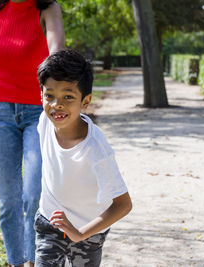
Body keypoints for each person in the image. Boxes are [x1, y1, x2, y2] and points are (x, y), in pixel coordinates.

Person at [0, 0, 65, 266]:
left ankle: (32, 261)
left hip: (37, 113)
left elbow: (56, 52)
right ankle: (16, 262)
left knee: (33, 194)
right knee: (8, 202)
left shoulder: (47, 8)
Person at [35, 49, 132, 266]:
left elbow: (123, 204)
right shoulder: (44, 121)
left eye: (68, 96)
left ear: (85, 101)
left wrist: (80, 233)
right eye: (49, 95)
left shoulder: (96, 148)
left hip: (89, 230)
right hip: (50, 222)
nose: (56, 104)